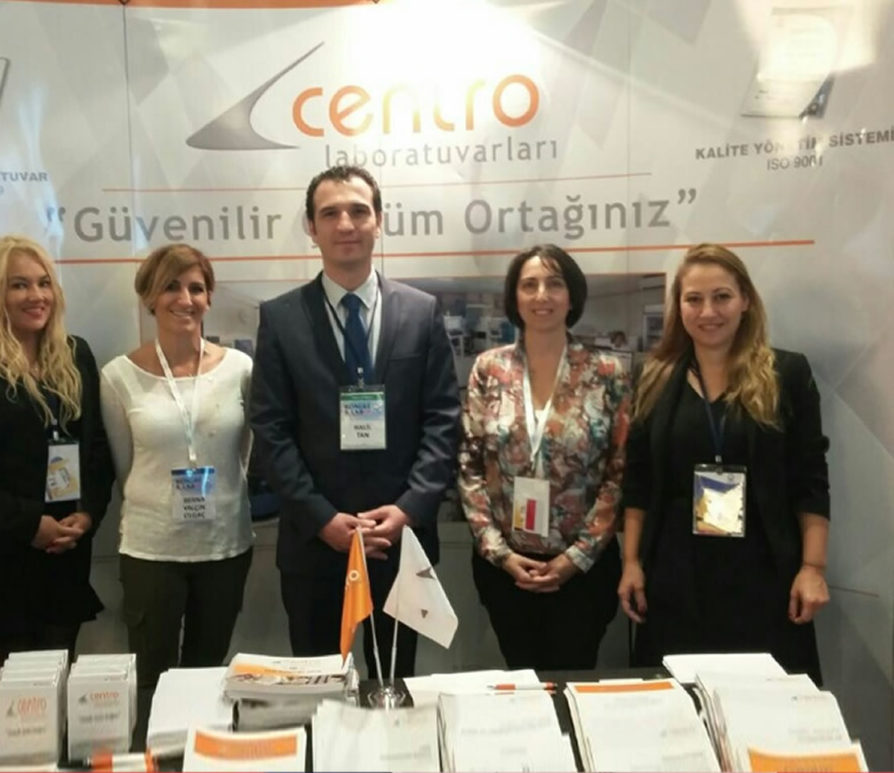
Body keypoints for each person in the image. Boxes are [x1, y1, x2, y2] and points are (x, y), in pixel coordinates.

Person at [249, 165, 460, 678]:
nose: (345, 223)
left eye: (358, 211)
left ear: (378, 221)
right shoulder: (280, 318)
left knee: (395, 684)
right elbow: (271, 429)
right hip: (316, 544)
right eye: (330, 213)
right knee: (320, 685)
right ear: (311, 227)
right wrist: (322, 519)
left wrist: (408, 509)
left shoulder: (421, 312)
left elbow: (443, 420)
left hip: (398, 540)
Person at [617, 243, 830, 683]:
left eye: (722, 297)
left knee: (764, 705)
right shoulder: (654, 377)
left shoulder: (786, 374)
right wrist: (632, 562)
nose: (708, 311)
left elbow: (810, 480)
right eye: (694, 299)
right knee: (677, 703)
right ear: (679, 306)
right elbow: (638, 482)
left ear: (745, 300)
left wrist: (812, 569)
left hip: (763, 574)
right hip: (673, 576)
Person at [0, 235, 113, 666]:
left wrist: (88, 514)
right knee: (11, 687)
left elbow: (98, 448)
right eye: (19, 285)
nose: (37, 295)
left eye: (44, 283)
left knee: (60, 674)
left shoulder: (75, 354)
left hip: (65, 546)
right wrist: (29, 524)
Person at [459, 244, 630, 670]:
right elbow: (469, 465)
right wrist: (499, 552)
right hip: (506, 567)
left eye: (555, 284)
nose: (542, 295)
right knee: (521, 678)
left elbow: (619, 472)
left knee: (574, 677)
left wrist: (576, 558)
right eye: (529, 285)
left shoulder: (607, 373)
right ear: (514, 298)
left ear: (572, 297)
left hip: (582, 571)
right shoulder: (489, 369)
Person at [100, 243, 253, 689]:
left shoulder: (240, 368)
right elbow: (124, 465)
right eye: (171, 286)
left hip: (224, 547)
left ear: (209, 298)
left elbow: (243, 452)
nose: (185, 299)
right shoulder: (119, 376)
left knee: (208, 674)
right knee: (154, 677)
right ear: (149, 296)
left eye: (196, 288)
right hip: (152, 551)